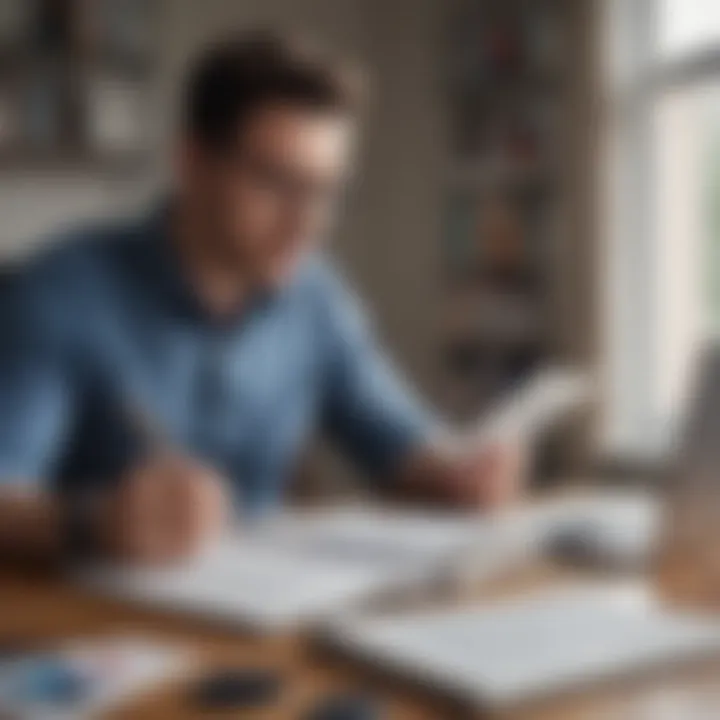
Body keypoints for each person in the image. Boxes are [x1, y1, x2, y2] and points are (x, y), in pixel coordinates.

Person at [0, 31, 524, 567]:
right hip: (86, 626)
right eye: (276, 183)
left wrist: (459, 479)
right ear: (192, 161)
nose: (309, 224)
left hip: (257, 619)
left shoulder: (316, 297)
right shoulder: (63, 291)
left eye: (326, 191)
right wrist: (100, 520)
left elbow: (403, 450)